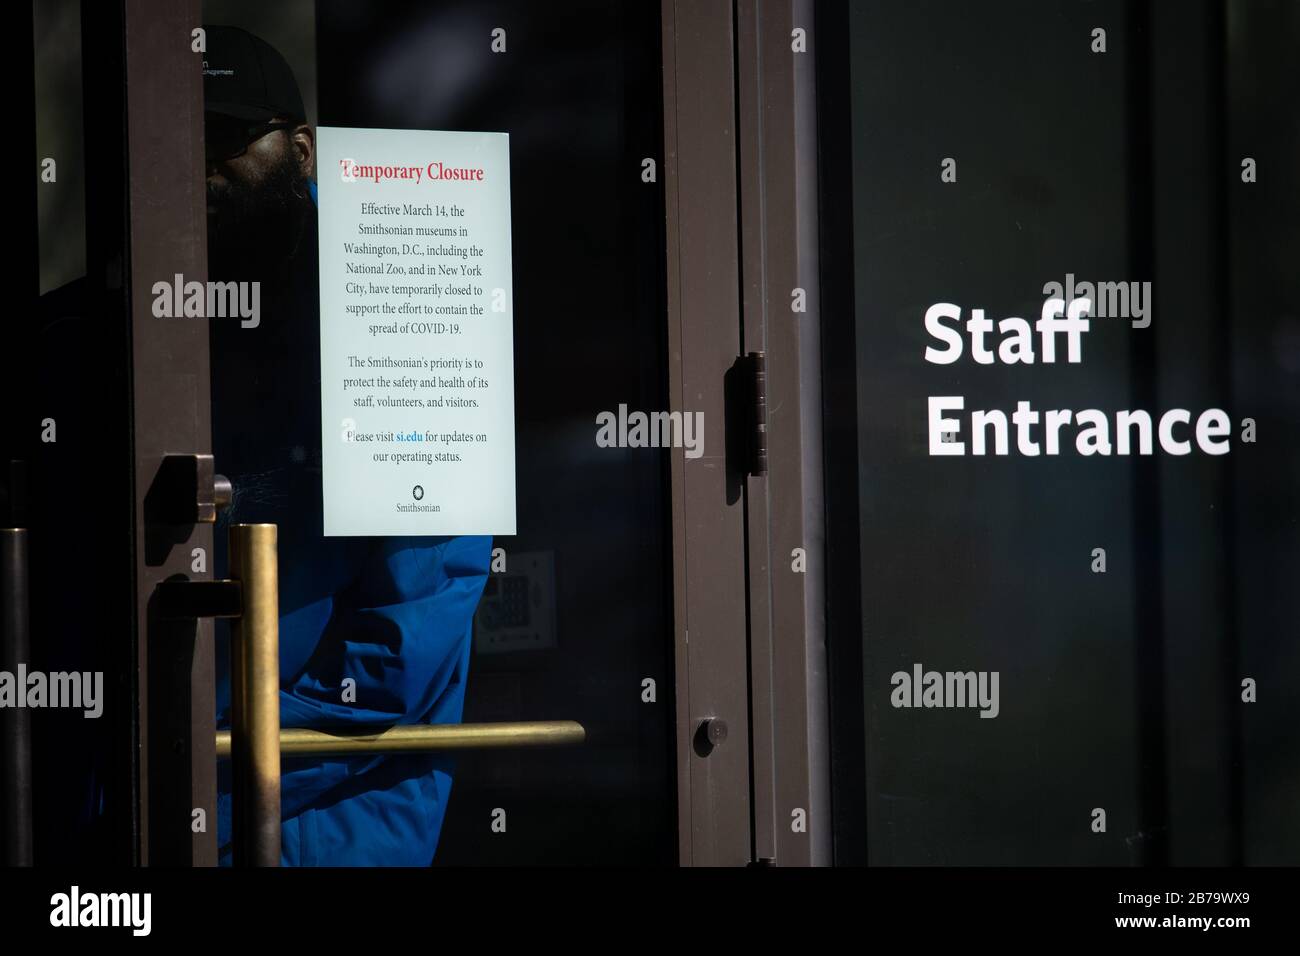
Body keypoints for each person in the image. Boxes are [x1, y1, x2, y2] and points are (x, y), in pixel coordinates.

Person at [203, 25, 490, 866]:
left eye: (227, 139)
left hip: (319, 826)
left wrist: (197, 777)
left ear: (302, 151)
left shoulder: (394, 300)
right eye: (177, 143)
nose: (200, 169)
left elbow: (409, 633)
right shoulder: (129, 319)